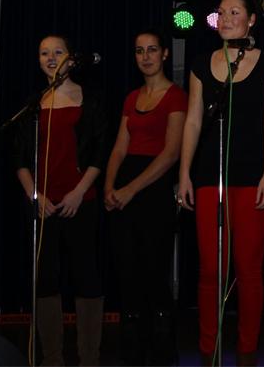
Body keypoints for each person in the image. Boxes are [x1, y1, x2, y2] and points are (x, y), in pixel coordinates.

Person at [176, 0, 264, 366]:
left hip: (253, 175)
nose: (225, 18)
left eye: (234, 12)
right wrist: (184, 172)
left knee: (248, 269)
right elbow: (193, 121)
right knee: (211, 269)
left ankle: (247, 351)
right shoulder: (201, 64)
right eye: (221, 12)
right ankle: (209, 349)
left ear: (251, 20)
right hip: (210, 176)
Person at [11, 34, 107, 366]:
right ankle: (52, 358)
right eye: (44, 53)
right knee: (45, 280)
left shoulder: (90, 100)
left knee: (86, 276)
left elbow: (99, 152)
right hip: (44, 206)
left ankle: (89, 358)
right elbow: (20, 158)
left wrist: (78, 192)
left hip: (81, 201)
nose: (51, 58)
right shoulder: (33, 104)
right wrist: (35, 196)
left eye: (57, 52)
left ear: (71, 58)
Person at [104, 30, 187, 365]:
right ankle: (133, 352)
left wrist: (130, 189)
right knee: (127, 272)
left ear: (164, 54)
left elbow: (171, 153)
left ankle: (162, 353)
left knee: (154, 272)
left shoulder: (176, 96)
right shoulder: (131, 97)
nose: (146, 56)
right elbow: (119, 148)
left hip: (153, 191)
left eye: (152, 50)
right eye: (140, 51)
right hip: (124, 191)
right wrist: (110, 187)